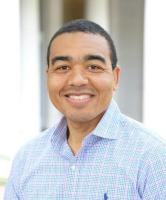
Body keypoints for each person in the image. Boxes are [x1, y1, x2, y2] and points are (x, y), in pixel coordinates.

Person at [4, 19, 166, 200]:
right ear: (48, 76)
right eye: (63, 67)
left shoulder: (153, 157)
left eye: (93, 67)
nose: (77, 80)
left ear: (115, 77)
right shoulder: (26, 158)